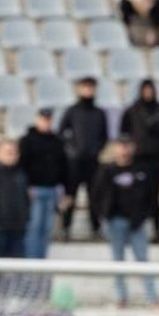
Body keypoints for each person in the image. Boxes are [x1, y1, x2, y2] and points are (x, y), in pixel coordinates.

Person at [94, 137, 158, 306]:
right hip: (115, 222)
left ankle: (152, 299)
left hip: (137, 223)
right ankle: (121, 298)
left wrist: (143, 217)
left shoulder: (142, 170)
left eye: (127, 146)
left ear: (132, 148)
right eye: (121, 146)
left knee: (143, 261)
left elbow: (151, 196)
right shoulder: (107, 170)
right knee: (118, 261)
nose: (124, 150)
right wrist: (104, 216)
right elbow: (96, 195)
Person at [58, 77, 109, 240]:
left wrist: (97, 149)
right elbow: (61, 133)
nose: (88, 90)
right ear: (79, 89)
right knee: (70, 195)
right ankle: (66, 227)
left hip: (92, 162)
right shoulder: (72, 111)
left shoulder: (99, 113)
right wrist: (71, 149)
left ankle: (96, 228)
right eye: (85, 87)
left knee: (94, 196)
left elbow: (104, 136)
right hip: (74, 163)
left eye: (91, 87)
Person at [122, 78, 159, 240]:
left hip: (156, 161)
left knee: (155, 196)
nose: (148, 93)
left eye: (151, 89)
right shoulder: (132, 111)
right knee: (136, 195)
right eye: (145, 89)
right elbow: (124, 134)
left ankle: (157, 231)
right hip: (137, 160)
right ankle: (134, 229)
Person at [18, 108, 69, 259]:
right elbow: (22, 166)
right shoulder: (27, 141)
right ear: (37, 120)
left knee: (47, 228)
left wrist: (64, 190)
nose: (46, 122)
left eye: (48, 119)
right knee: (34, 226)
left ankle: (41, 260)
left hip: (52, 190)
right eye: (43, 119)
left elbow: (63, 166)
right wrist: (25, 187)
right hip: (34, 190)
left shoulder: (57, 141)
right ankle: (32, 260)